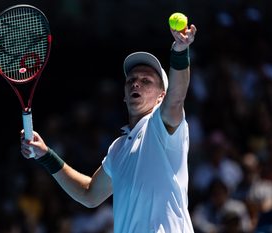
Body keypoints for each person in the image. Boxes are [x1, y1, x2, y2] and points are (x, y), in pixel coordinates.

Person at [21, 20, 197, 233]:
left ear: (162, 96)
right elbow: (89, 194)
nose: (135, 83)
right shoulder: (118, 148)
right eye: (131, 79)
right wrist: (45, 155)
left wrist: (179, 50)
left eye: (146, 80)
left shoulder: (161, 126)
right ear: (123, 96)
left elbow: (177, 98)